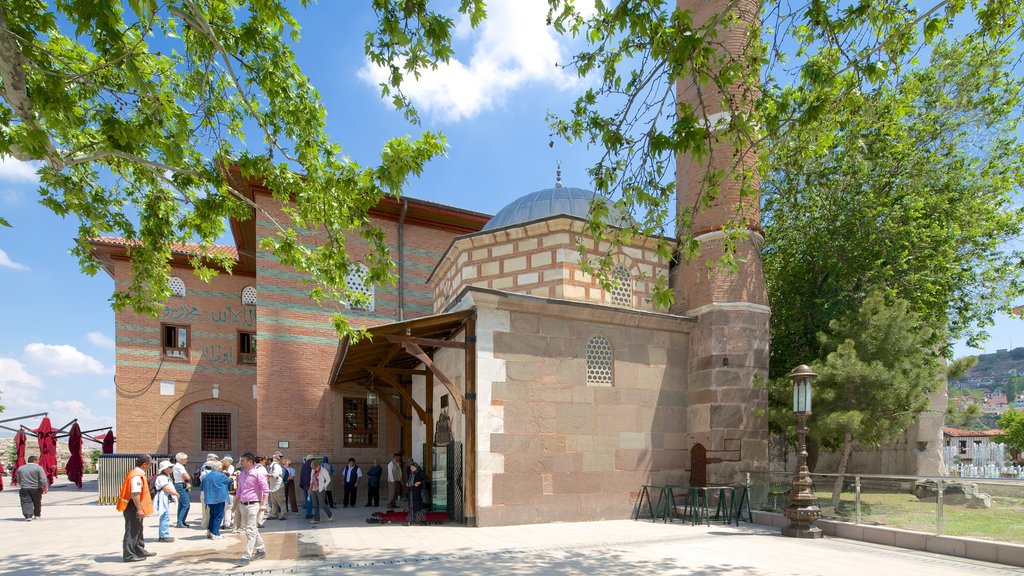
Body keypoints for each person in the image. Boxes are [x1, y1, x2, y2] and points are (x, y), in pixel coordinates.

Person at [232, 452, 269, 567]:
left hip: (253, 505)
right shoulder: (242, 474)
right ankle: (261, 549)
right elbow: (239, 490)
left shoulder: (258, 473)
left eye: (242, 461)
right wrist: (235, 505)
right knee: (251, 528)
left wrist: (264, 504)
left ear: (250, 462)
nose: (240, 463)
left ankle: (246, 556)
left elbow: (265, 489)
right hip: (242, 505)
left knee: (250, 530)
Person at [117, 454, 156, 562]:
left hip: (135, 505)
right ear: (144, 465)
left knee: (138, 528)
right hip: (133, 506)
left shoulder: (136, 473)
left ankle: (139, 550)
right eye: (150, 464)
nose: (151, 466)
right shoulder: (136, 476)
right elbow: (135, 494)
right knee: (132, 530)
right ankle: (129, 555)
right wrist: (139, 508)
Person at [200, 459, 233, 540]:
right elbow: (229, 481)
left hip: (209, 499)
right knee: (218, 516)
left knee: (213, 515)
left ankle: (210, 531)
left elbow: (202, 487)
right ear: (219, 467)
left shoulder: (206, 476)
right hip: (218, 498)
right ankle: (216, 533)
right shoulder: (221, 475)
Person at [16, 455, 48, 521]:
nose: (39, 461)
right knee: (37, 502)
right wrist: (45, 486)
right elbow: (43, 479)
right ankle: (37, 515)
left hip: (24, 488)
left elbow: (18, 479)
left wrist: (21, 484)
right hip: (36, 488)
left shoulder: (21, 468)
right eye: (38, 460)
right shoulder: (38, 468)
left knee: (25, 501)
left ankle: (28, 515)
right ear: (35, 460)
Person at [153, 461, 179, 542]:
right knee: (164, 515)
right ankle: (164, 535)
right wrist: (176, 494)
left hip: (165, 497)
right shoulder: (162, 477)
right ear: (165, 469)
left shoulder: (165, 476)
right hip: (162, 497)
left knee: (165, 515)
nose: (171, 468)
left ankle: (164, 534)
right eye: (170, 467)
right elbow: (166, 488)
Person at [308, 459, 334, 525]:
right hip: (313, 489)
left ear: (318, 466)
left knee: (322, 504)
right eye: (313, 468)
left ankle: (330, 514)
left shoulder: (323, 470)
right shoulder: (313, 470)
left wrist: (324, 486)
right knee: (315, 505)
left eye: (315, 468)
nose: (314, 469)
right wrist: (310, 488)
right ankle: (316, 519)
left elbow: (328, 479)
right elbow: (311, 479)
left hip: (321, 489)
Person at [198, 453, 219, 532]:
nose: (216, 461)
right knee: (208, 509)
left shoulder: (203, 471)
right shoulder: (206, 470)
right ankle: (207, 524)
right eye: (215, 459)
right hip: (209, 492)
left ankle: (205, 523)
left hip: (204, 491)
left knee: (205, 508)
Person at [171, 452, 191, 528]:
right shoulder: (180, 467)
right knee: (186, 504)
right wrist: (186, 477)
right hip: (180, 485)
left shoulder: (176, 466)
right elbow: (187, 477)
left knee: (181, 504)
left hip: (178, 484)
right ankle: (180, 522)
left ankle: (181, 521)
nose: (186, 461)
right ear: (181, 459)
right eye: (185, 459)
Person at [405, 461, 426, 525]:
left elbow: (424, 480)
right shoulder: (411, 473)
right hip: (412, 491)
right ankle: (412, 518)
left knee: (418, 504)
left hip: (418, 491)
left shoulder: (420, 472)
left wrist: (419, 483)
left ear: (416, 467)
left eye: (412, 467)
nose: (411, 468)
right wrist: (408, 483)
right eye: (411, 467)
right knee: (411, 504)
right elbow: (410, 480)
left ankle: (419, 519)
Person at [268, 451, 287, 520]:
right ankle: (274, 514)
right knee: (274, 502)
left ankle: (283, 514)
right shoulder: (273, 465)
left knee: (281, 501)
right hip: (273, 486)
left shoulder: (276, 465)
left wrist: (266, 474)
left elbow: (275, 475)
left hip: (278, 486)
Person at [254, 455, 270, 527]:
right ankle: (259, 522)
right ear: (260, 461)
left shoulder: (253, 468)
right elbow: (265, 480)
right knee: (262, 506)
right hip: (262, 490)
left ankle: (254, 522)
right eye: (264, 460)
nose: (265, 461)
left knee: (255, 506)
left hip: (254, 490)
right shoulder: (262, 468)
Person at [299, 455, 314, 519]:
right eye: (313, 459)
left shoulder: (303, 465)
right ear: (311, 460)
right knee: (309, 500)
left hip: (304, 485)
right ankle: (308, 514)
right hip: (309, 486)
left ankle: (308, 513)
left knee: (307, 500)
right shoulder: (311, 465)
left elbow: (301, 475)